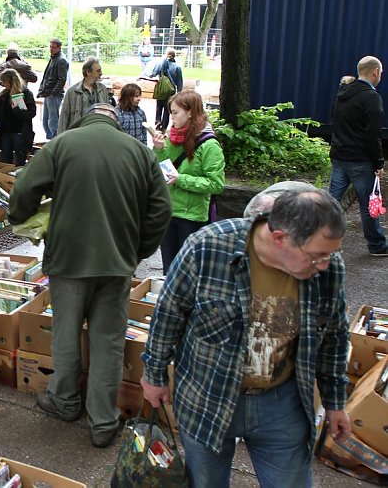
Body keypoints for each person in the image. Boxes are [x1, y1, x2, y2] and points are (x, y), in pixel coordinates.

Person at [141, 189, 351, 488]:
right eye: (317, 256)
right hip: (206, 398)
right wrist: (154, 375)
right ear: (280, 238)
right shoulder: (208, 246)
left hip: (282, 405)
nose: (326, 265)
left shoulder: (328, 269)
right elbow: (168, 314)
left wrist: (334, 402)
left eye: (330, 255)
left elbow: (334, 336)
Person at [8, 104, 171, 448]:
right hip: (117, 263)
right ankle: (103, 422)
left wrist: (23, 217)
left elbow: (23, 188)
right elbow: (161, 208)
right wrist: (138, 248)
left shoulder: (62, 143)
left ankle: (65, 401)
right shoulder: (140, 152)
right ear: (115, 123)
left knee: (66, 334)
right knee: (108, 341)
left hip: (68, 259)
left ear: (85, 120)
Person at [151, 90, 225, 273]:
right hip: (169, 212)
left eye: (175, 113)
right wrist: (159, 149)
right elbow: (166, 169)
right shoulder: (173, 138)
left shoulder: (209, 145)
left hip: (192, 218)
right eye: (171, 113)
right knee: (169, 271)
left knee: (188, 272)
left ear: (190, 112)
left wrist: (181, 179)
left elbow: (216, 184)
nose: (172, 117)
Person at [328, 55, 388, 256]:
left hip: (339, 156)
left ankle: (319, 240)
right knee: (367, 204)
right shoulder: (371, 97)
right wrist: (378, 162)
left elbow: (334, 123)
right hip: (360, 160)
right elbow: (373, 134)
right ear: (376, 72)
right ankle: (377, 246)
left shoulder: (342, 93)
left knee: (331, 202)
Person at [58, 57, 109, 134]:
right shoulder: (72, 92)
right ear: (88, 72)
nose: (101, 73)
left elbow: (108, 114)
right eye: (98, 71)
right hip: (78, 135)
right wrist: (61, 140)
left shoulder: (103, 89)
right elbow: (64, 118)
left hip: (99, 134)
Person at [37, 38, 69, 139]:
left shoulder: (61, 60)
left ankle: (55, 139)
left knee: (52, 120)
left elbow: (62, 79)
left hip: (54, 94)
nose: (51, 49)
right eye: (50, 47)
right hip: (49, 93)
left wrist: (53, 92)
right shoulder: (55, 58)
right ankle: (51, 138)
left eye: (53, 47)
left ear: (59, 48)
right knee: (47, 120)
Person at [151, 47, 184, 130]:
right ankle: (164, 126)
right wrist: (179, 92)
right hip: (171, 91)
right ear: (174, 56)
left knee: (159, 106)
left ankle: (157, 121)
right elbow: (179, 81)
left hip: (161, 89)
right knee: (167, 109)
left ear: (166, 55)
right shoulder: (177, 67)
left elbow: (153, 73)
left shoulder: (160, 64)